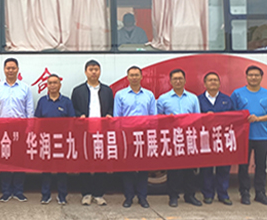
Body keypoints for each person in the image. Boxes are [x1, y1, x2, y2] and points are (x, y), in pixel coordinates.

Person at [231, 65, 267, 205]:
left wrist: (258, 119)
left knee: (261, 166)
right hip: (243, 137)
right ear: (246, 77)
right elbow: (231, 112)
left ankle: (260, 193)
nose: (253, 77)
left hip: (262, 137)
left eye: (256, 75)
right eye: (251, 75)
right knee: (243, 167)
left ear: (261, 77)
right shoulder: (237, 93)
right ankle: (244, 193)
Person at [0, 58, 34, 202]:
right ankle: (6, 191)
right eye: (8, 68)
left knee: (20, 159)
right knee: (4, 159)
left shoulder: (25, 88)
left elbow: (29, 110)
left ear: (17, 69)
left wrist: (29, 129)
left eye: (13, 68)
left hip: (20, 127)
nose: (10, 70)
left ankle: (18, 191)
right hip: (3, 127)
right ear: (4, 70)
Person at [71, 59, 114, 206]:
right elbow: (73, 109)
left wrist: (109, 115)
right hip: (85, 133)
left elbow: (111, 107)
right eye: (91, 69)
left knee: (101, 163)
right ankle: (86, 194)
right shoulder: (78, 91)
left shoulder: (107, 90)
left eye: (96, 69)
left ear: (100, 71)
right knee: (85, 163)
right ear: (85, 72)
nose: (93, 72)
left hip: (102, 132)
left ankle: (99, 194)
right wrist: (80, 115)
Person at [157, 68, 202, 208]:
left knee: (190, 169)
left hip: (189, 137)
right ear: (170, 81)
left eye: (180, 78)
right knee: (174, 169)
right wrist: (166, 119)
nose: (178, 81)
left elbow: (197, 117)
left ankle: (190, 195)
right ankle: (173, 196)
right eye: (175, 79)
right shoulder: (163, 99)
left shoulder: (193, 98)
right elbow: (157, 119)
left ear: (185, 80)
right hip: (172, 138)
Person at [113, 66, 156, 208]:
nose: (134, 78)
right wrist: (119, 137)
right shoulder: (120, 95)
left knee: (143, 168)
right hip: (127, 136)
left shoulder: (149, 95)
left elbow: (153, 117)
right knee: (128, 168)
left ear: (141, 77)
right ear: (127, 77)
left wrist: (152, 135)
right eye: (131, 75)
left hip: (144, 135)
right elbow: (117, 117)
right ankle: (129, 197)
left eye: (137, 75)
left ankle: (143, 197)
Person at [34, 74, 75, 205]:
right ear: (47, 85)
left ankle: (62, 195)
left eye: (55, 83)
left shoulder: (66, 101)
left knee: (61, 169)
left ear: (60, 85)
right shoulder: (42, 101)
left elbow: (72, 121)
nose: (52, 85)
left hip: (61, 140)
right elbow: (37, 120)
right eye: (50, 83)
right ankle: (45, 195)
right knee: (46, 169)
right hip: (46, 140)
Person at [197, 71, 235, 206]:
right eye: (210, 80)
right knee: (206, 169)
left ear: (219, 83)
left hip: (222, 139)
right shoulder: (198, 100)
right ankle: (207, 194)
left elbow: (234, 118)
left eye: (215, 80)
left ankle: (223, 194)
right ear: (205, 83)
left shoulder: (227, 100)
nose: (213, 82)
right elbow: (193, 118)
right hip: (205, 139)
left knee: (223, 168)